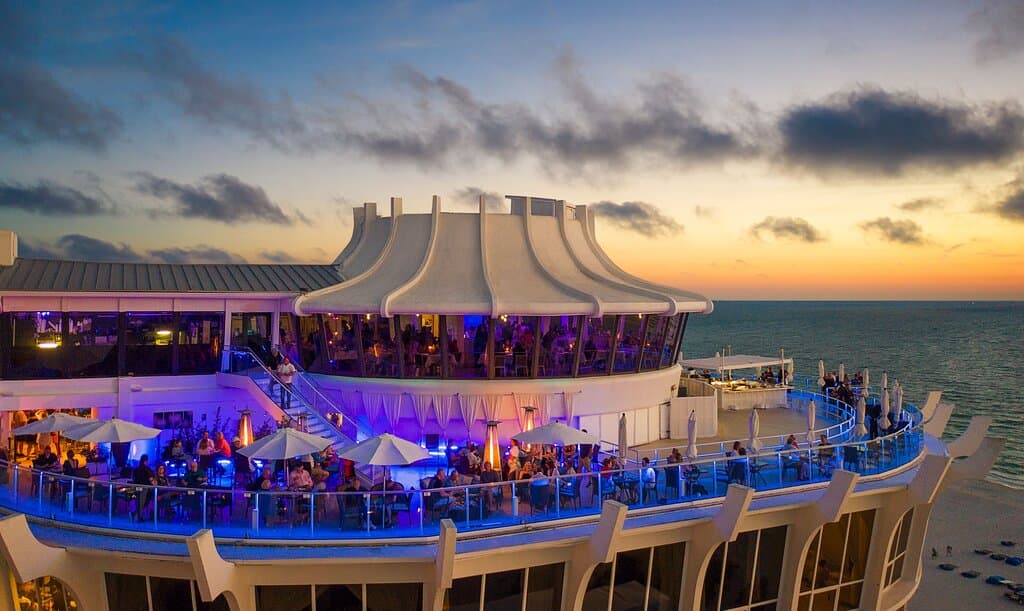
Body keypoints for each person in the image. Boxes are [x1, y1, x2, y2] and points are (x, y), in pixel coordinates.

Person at [132, 454, 155, 520]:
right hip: (145, 489)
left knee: (139, 502)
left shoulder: (136, 469)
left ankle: (136, 514)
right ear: (146, 461)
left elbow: (134, 479)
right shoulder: (147, 469)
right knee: (144, 501)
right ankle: (138, 516)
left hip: (137, 488)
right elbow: (151, 480)